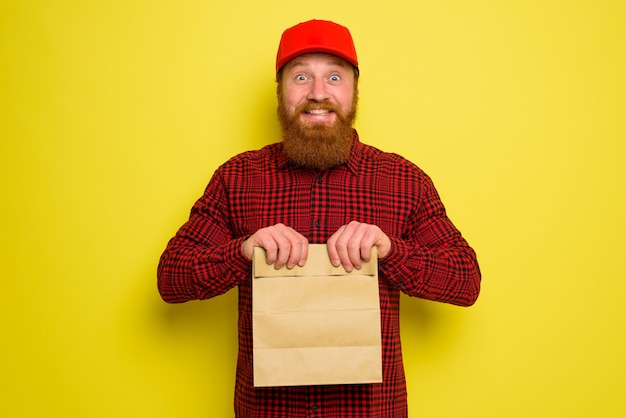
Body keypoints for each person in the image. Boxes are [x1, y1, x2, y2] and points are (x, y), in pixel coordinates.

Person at [158, 19, 481, 418]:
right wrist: (241, 252)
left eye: (333, 77)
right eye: (300, 77)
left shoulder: (403, 180)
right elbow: (170, 278)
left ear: (353, 92)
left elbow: (466, 281)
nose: (317, 93)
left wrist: (391, 250)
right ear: (280, 92)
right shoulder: (237, 177)